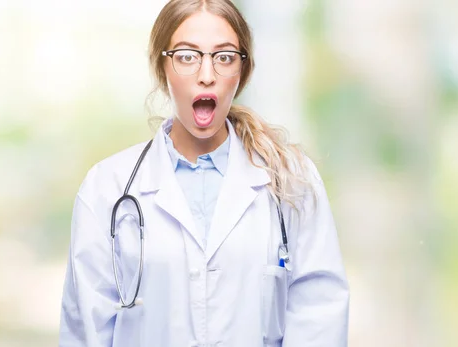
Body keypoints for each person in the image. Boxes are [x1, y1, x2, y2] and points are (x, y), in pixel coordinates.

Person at [58, 0, 349, 346]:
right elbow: (86, 330)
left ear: (242, 71)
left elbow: (320, 321)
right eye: (187, 56)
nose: (207, 74)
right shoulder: (107, 189)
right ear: (161, 67)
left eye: (224, 57)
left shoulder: (291, 181)